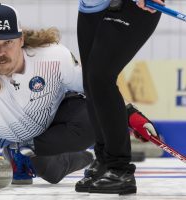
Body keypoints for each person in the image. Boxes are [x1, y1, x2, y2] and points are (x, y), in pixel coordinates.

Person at [0, 3, 96, 185]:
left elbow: (96, 88)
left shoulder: (53, 56)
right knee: (50, 171)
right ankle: (17, 151)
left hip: (49, 127)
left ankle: (88, 156)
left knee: (94, 116)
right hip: (6, 135)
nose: (1, 52)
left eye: (8, 42)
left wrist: (127, 115)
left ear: (21, 40)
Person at [75, 0, 164, 195]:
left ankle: (120, 169)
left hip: (130, 5)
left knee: (100, 77)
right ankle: (105, 161)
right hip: (92, 5)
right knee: (91, 83)